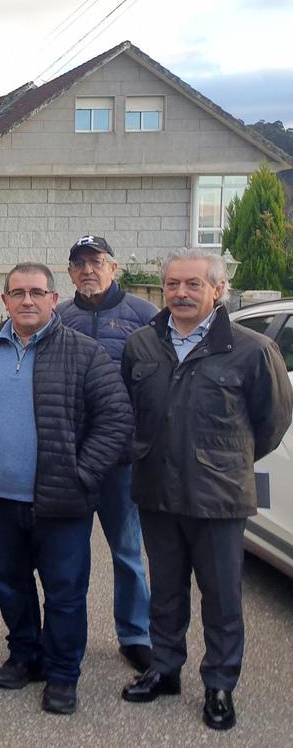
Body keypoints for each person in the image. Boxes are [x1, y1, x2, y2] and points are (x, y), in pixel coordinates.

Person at [0, 262, 133, 715]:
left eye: (37, 292)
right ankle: (25, 656)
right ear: (4, 302)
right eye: (18, 293)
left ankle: (63, 673)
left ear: (53, 299)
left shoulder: (84, 354)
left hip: (61, 504)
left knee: (65, 593)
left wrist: (81, 474)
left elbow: (116, 420)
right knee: (9, 585)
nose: (27, 300)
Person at [120, 248, 292, 732]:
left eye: (194, 284)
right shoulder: (141, 345)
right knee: (166, 592)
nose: (181, 293)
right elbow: (135, 412)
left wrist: (224, 462)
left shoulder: (253, 350)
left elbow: (272, 424)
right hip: (156, 491)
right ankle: (165, 668)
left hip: (217, 497)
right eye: (173, 284)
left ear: (219, 290)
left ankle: (219, 683)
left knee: (221, 598)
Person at [57, 235, 156, 673]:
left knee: (127, 552)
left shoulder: (144, 317)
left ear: (114, 267)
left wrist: (143, 443)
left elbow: (161, 388)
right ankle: (62, 636)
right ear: (71, 273)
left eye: (96, 261)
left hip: (121, 462)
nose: (88, 270)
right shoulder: (59, 319)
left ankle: (135, 633)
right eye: (79, 263)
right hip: (72, 458)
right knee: (67, 555)